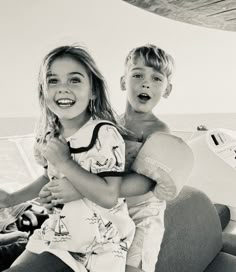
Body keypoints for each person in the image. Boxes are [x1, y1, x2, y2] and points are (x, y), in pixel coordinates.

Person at [40, 44, 194, 272]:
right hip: (113, 207)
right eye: (138, 75)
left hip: (144, 212)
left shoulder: (159, 130)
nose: (145, 83)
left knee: (133, 265)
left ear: (167, 90)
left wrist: (81, 189)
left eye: (156, 78)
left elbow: (147, 182)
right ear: (124, 82)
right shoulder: (111, 126)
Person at [0, 45, 135, 272]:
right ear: (44, 92)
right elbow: (48, 178)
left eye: (74, 80)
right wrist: (11, 199)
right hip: (56, 232)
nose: (63, 88)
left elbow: (109, 195)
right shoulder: (52, 135)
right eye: (53, 81)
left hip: (96, 244)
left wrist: (66, 163)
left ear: (93, 91)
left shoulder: (103, 133)